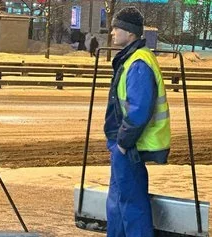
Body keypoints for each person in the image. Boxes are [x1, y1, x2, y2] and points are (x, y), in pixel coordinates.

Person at [104, 7, 170, 237]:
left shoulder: (138, 63)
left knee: (131, 206)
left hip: (130, 147)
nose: (112, 32)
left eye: (117, 28)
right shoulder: (132, 59)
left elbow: (139, 110)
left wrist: (122, 143)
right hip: (123, 145)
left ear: (130, 33)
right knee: (118, 204)